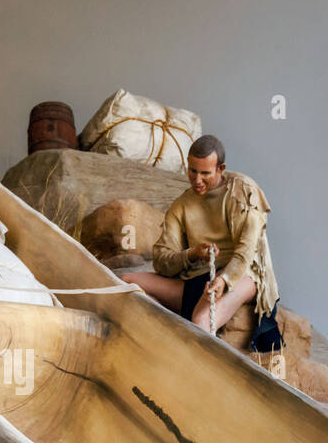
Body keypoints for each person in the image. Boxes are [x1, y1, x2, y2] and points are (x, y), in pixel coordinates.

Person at [121, 135, 282, 351]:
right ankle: (163, 342)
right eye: (193, 171)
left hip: (243, 275)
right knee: (126, 281)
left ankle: (199, 378)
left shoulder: (243, 192)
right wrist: (192, 254)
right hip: (198, 277)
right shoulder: (182, 205)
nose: (197, 180)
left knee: (201, 320)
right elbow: (161, 261)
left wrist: (223, 280)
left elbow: (245, 252)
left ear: (220, 168)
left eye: (205, 173)